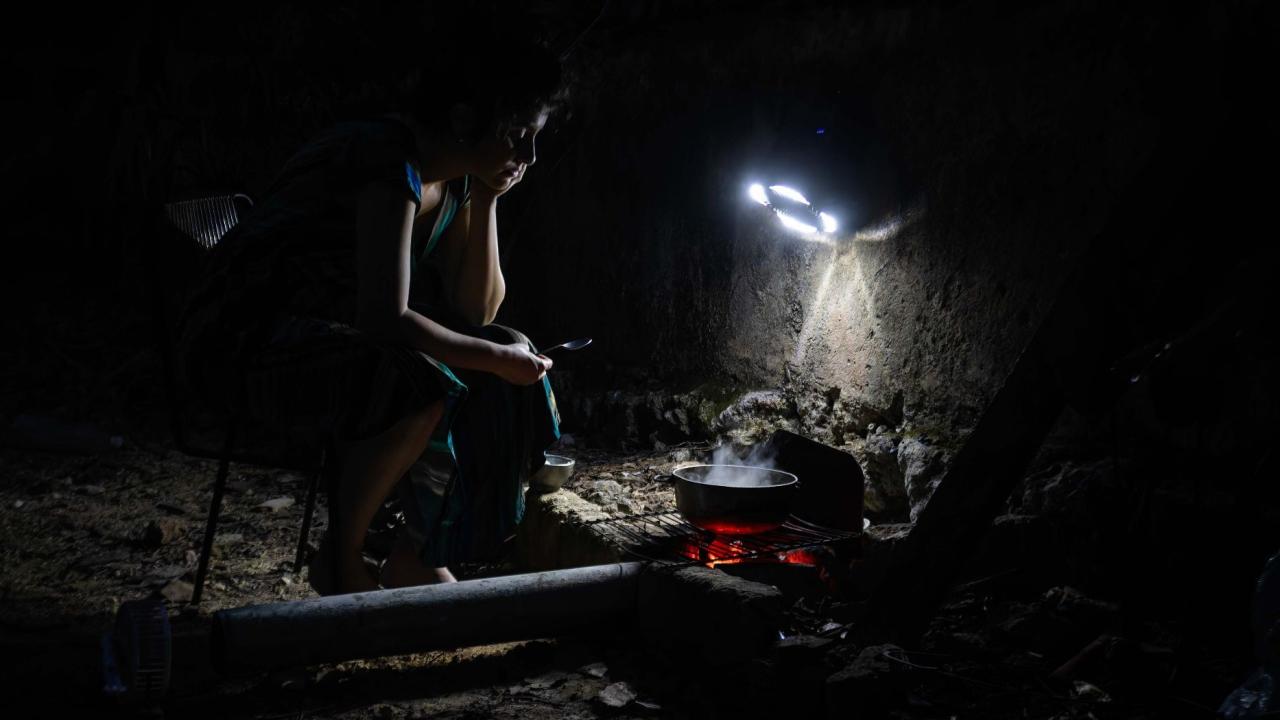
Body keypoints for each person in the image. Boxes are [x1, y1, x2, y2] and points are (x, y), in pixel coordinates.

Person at [176, 35, 566, 594]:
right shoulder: (388, 159)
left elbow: (474, 309)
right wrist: (493, 357)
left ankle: (417, 552)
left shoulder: (453, 178)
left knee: (507, 345)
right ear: (463, 119)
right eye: (517, 136)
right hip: (242, 339)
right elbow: (386, 316)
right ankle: (342, 559)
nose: (528, 157)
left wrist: (488, 200)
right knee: (415, 379)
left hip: (336, 334)